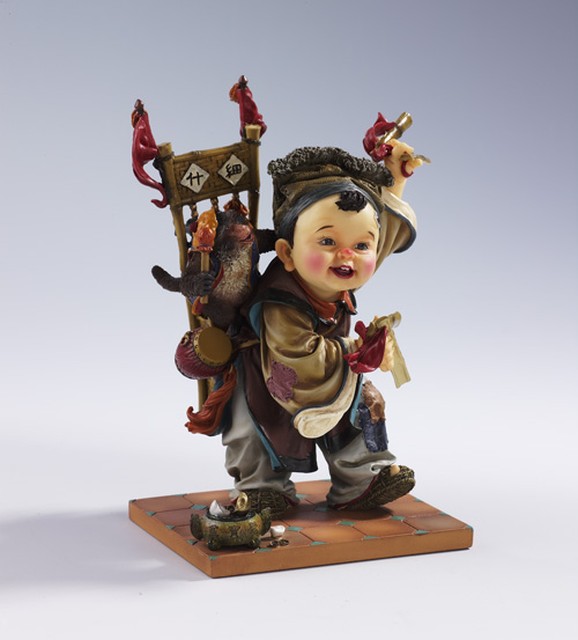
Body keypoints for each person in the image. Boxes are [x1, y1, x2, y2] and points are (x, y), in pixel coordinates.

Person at [220, 142, 422, 518]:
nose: (347, 255)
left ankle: (363, 477)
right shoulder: (282, 300)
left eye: (361, 245)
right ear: (286, 252)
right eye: (327, 241)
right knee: (257, 432)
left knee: (363, 405)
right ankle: (262, 488)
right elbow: (295, 355)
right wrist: (356, 350)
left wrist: (395, 178)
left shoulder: (332, 275)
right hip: (268, 375)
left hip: (331, 372)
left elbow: (384, 229)